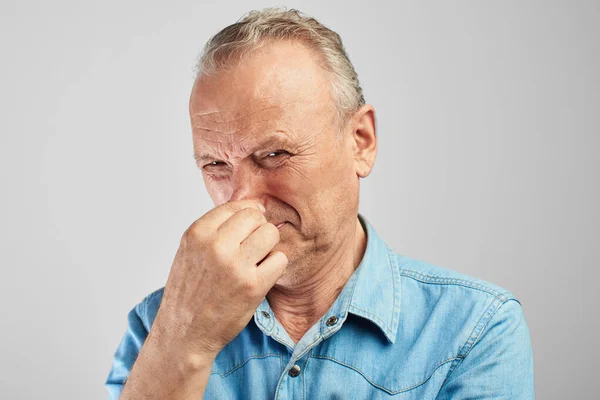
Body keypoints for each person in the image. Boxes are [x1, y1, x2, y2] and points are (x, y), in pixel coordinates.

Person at [105, 7, 534, 399]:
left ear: (360, 142)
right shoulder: (158, 327)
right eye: (216, 164)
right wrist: (185, 344)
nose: (242, 200)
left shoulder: (474, 330)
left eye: (274, 155)